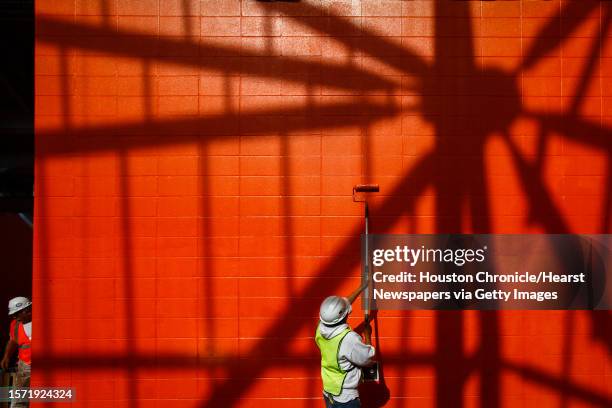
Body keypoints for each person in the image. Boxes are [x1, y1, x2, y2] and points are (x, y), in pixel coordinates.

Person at [315, 285, 376, 407]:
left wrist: (361, 288)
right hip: (346, 399)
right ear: (344, 316)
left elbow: (344, 304)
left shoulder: (320, 328)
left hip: (329, 392)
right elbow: (368, 358)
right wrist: (368, 335)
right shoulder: (348, 339)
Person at [1, 296, 32, 408]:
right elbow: (13, 341)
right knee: (19, 400)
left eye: (17, 313)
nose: (15, 317)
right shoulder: (15, 324)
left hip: (45, 366)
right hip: (25, 366)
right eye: (14, 314)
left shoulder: (42, 321)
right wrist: (6, 357)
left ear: (27, 310)